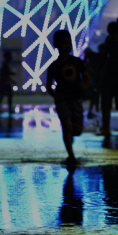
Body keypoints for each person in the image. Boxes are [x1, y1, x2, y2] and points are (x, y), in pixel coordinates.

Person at [45, 29, 89, 165]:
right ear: (56, 45)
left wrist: (85, 85)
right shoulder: (53, 66)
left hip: (76, 98)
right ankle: (71, 155)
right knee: (67, 126)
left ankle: (69, 139)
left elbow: (86, 76)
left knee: (78, 130)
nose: (67, 46)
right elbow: (48, 85)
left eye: (69, 43)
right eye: (63, 43)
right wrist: (55, 95)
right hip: (62, 100)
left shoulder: (77, 62)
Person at [0, 45, 18, 112]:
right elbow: (6, 74)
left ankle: (0, 109)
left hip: (4, 82)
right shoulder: (6, 65)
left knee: (2, 96)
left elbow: (5, 74)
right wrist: (12, 80)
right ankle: (9, 109)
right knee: (8, 95)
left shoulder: (5, 64)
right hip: (5, 83)